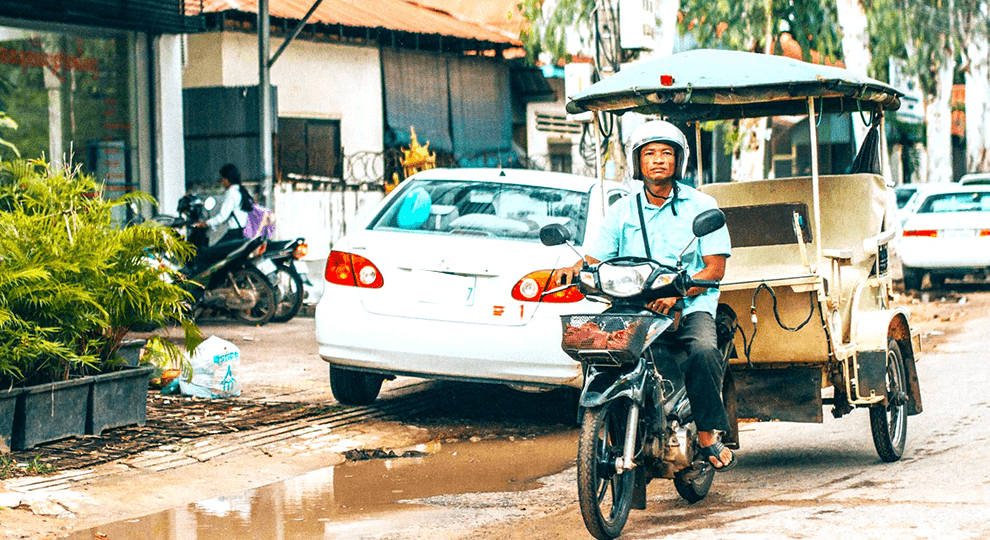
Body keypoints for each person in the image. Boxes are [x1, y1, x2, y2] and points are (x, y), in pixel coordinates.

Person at [558, 119, 736, 471]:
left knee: (703, 350)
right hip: (633, 305)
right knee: (595, 347)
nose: (658, 160)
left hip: (689, 303)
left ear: (678, 162)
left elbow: (714, 269)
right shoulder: (621, 211)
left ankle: (706, 434)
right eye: (650, 153)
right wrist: (573, 270)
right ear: (638, 162)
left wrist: (677, 294)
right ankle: (611, 422)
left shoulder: (701, 205)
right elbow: (593, 260)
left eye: (666, 153)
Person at [195, 163, 253, 243]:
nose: (222, 182)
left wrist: (206, 223)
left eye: (222, 179)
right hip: (241, 231)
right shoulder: (240, 190)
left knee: (213, 252)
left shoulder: (231, 192)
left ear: (227, 179)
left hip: (233, 233)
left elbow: (223, 216)